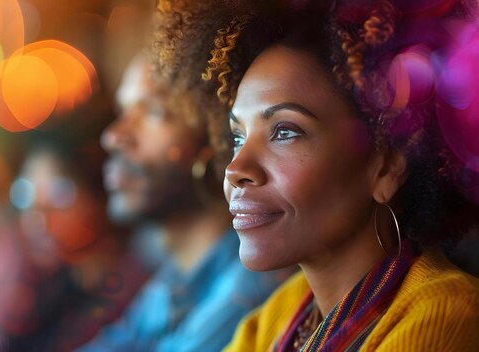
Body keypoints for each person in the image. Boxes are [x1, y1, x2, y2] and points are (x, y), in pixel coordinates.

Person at [152, 0, 479, 351]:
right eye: (238, 137)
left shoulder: (446, 313)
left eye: (285, 131)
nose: (236, 170)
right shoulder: (282, 312)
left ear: (386, 167)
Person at [77, 51, 289, 352]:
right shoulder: (172, 280)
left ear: (216, 140)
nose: (113, 136)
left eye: (153, 111)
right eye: (122, 111)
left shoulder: (248, 293)